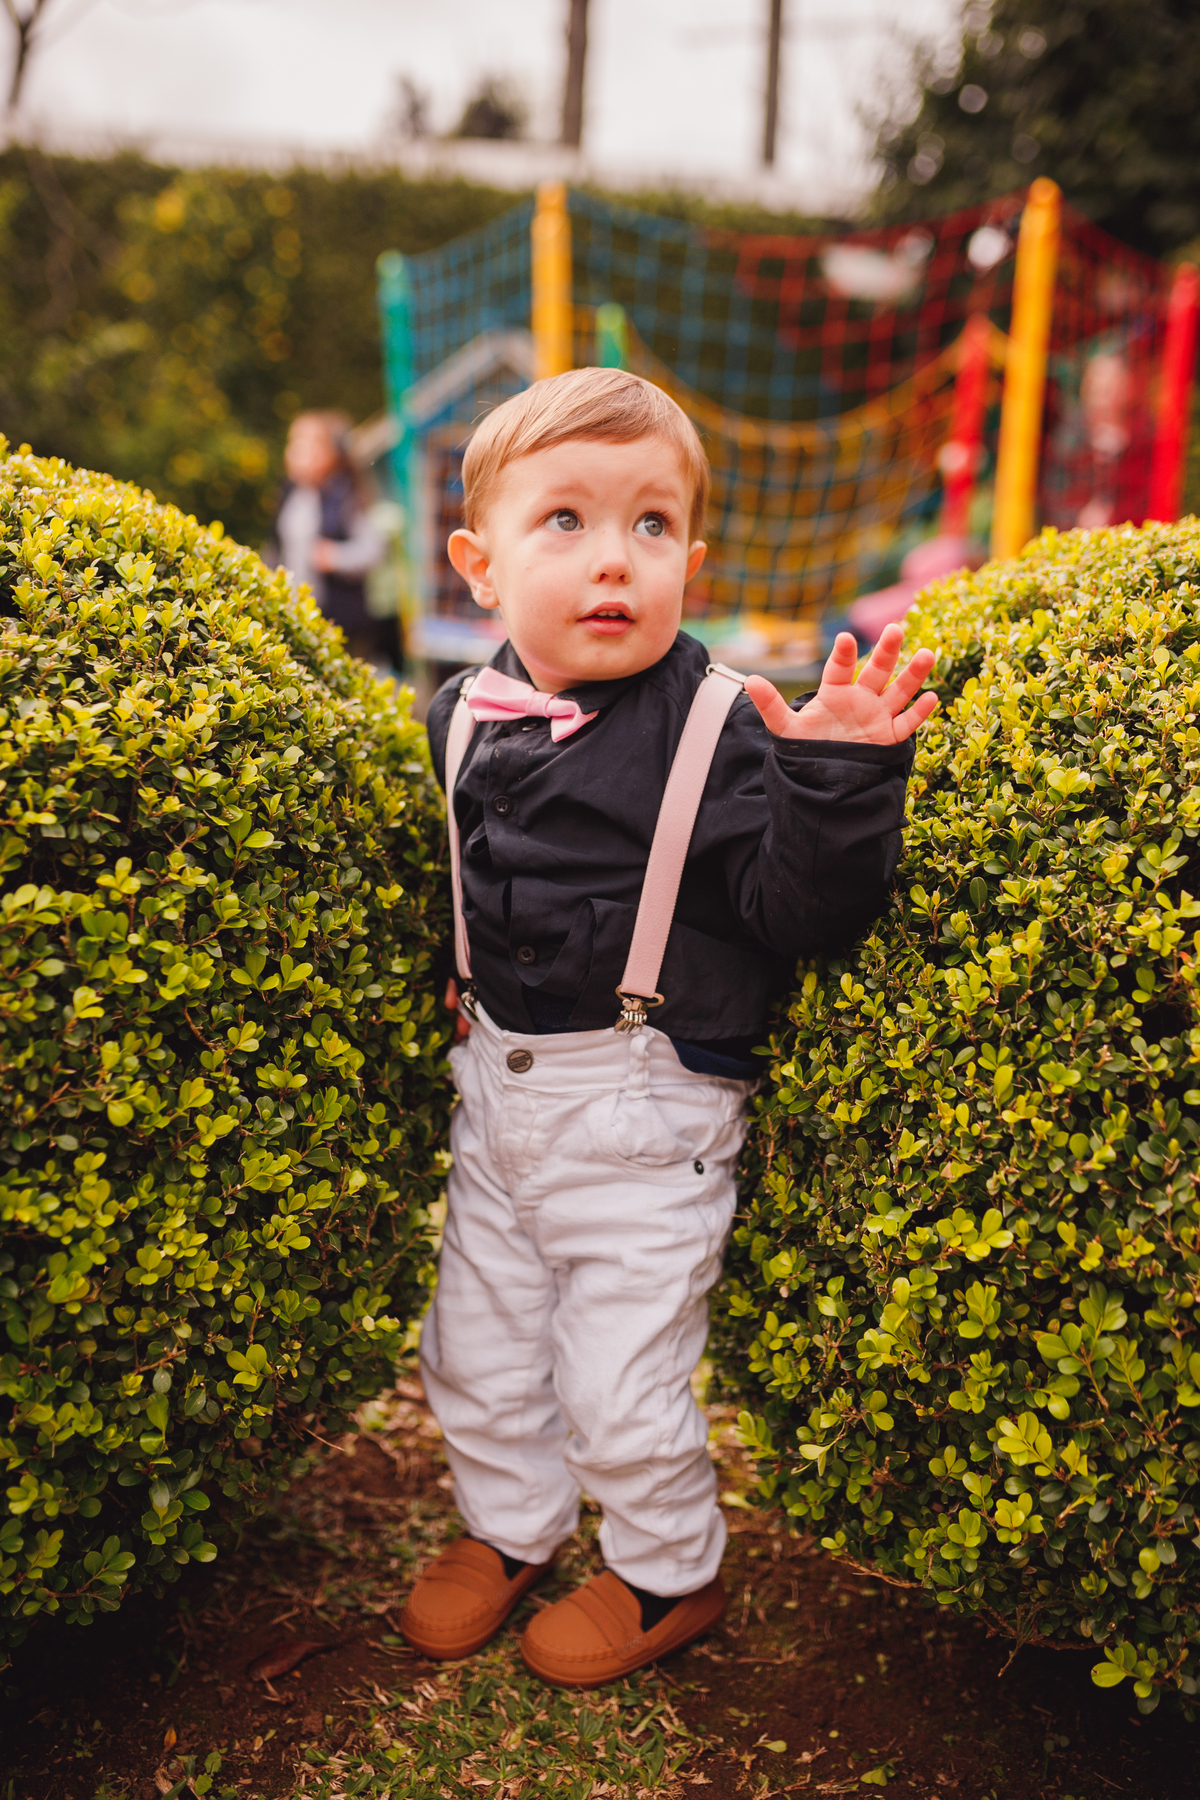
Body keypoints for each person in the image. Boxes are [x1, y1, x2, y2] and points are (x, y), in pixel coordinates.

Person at [399, 367, 939, 1689]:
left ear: (691, 560)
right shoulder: (460, 718)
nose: (613, 562)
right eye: (567, 522)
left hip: (648, 1116)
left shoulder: (723, 730)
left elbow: (797, 910)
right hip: (499, 1098)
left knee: (618, 1378)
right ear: (479, 563)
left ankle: (664, 1570)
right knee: (476, 1342)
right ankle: (509, 1525)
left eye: (650, 528)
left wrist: (838, 778)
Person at [265, 410, 389, 665]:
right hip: (296, 614)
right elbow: (277, 546)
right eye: (293, 443)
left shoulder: (346, 496)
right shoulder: (290, 493)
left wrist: (335, 557)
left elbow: (372, 550)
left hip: (340, 619)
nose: (295, 451)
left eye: (306, 444)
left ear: (330, 454)